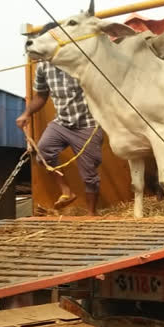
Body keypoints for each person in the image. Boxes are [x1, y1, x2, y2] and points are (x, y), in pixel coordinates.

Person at [16, 60, 104, 214]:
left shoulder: (80, 59)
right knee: (43, 152)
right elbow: (41, 95)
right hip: (61, 123)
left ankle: (91, 214)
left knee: (89, 174)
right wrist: (26, 113)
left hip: (88, 123)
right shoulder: (43, 65)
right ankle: (66, 191)